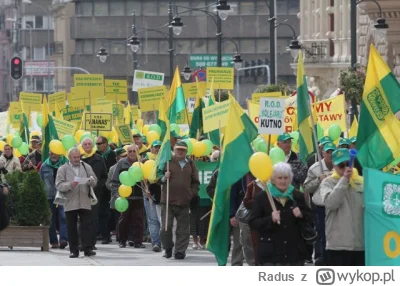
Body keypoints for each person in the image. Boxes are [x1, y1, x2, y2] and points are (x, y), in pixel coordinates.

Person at [248, 162, 312, 266]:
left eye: (286, 178)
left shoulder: (297, 195)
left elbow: (310, 218)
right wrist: (270, 219)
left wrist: (301, 215)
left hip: (294, 253)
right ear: (273, 179)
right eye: (280, 178)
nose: (283, 181)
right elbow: (253, 222)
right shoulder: (262, 197)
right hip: (271, 254)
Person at [320, 148, 365, 266]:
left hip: (360, 245)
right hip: (338, 246)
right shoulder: (327, 183)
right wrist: (344, 180)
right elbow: (331, 203)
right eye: (341, 165)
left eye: (348, 164)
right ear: (334, 166)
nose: (345, 168)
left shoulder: (362, 182)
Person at [160, 141, 200, 259]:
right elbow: (156, 177)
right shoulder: (167, 161)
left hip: (184, 202)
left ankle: (180, 251)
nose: (180, 151)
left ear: (186, 151)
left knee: (183, 230)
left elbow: (195, 182)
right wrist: (163, 177)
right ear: (174, 150)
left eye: (183, 149)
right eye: (178, 149)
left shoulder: (191, 164)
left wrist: (191, 194)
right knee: (166, 227)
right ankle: (167, 247)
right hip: (168, 201)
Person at [55, 147, 98, 258]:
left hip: (84, 200)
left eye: (78, 157)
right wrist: (70, 184)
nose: (77, 159)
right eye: (74, 157)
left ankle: (88, 249)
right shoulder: (63, 169)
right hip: (70, 202)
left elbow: (94, 180)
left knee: (86, 226)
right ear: (69, 157)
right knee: (71, 227)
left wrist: (92, 181)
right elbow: (59, 185)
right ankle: (74, 250)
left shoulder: (86, 166)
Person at [304, 142, 336, 266]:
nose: (330, 154)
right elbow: (306, 187)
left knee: (335, 235)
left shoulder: (340, 165)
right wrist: (318, 180)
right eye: (328, 152)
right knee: (322, 235)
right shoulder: (315, 168)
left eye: (333, 151)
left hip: (336, 206)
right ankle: (324, 260)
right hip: (321, 207)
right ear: (322, 153)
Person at [111, 144, 146, 249]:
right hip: (124, 197)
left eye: (134, 151)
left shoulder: (141, 164)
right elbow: (115, 180)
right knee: (123, 220)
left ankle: (138, 241)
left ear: (138, 152)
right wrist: (116, 194)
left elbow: (146, 180)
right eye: (129, 151)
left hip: (138, 196)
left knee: (139, 220)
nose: (131, 153)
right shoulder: (121, 163)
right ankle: (122, 241)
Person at [80, 137, 108, 246]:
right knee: (82, 219)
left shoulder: (99, 159)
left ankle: (91, 243)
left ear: (92, 146)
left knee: (93, 218)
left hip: (95, 194)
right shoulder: (79, 159)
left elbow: (104, 176)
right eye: (85, 144)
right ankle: (82, 242)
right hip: (81, 193)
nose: (87, 146)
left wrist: (98, 186)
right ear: (82, 146)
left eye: (89, 144)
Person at [39, 151, 69, 249]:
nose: (53, 155)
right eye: (51, 153)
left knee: (63, 217)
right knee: (51, 219)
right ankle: (53, 241)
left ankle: (63, 240)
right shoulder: (44, 166)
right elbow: (40, 181)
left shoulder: (65, 165)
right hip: (49, 196)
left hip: (62, 195)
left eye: (55, 153)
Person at [95, 136, 116, 244]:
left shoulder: (112, 155)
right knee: (99, 212)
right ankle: (100, 233)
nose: (97, 146)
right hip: (98, 187)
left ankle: (106, 235)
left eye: (99, 143)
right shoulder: (96, 155)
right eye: (96, 144)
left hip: (109, 188)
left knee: (107, 212)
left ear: (105, 144)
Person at [142, 140, 162, 252]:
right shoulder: (144, 161)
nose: (157, 149)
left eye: (159, 147)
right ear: (151, 149)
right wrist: (145, 190)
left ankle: (165, 242)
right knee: (153, 220)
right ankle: (156, 243)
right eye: (156, 147)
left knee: (162, 220)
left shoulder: (166, 161)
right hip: (149, 194)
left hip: (162, 194)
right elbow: (139, 177)